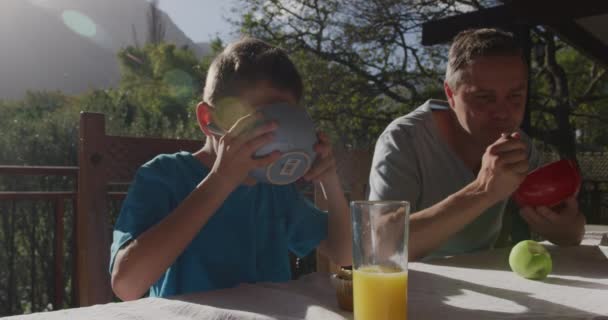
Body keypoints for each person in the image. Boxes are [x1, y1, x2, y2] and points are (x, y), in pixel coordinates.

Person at [109, 38, 352, 301]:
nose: (276, 136)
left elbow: (346, 254)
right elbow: (127, 285)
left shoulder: (275, 189)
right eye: (262, 122)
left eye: (285, 122)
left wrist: (330, 180)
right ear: (209, 120)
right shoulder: (165, 175)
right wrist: (221, 180)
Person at [368, 28, 585, 261]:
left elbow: (571, 233)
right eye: (484, 98)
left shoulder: (518, 145)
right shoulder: (404, 139)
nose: (503, 113)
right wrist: (482, 191)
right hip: (412, 289)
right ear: (450, 95)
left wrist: (566, 229)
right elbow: (382, 246)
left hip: (487, 285)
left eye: (515, 97)